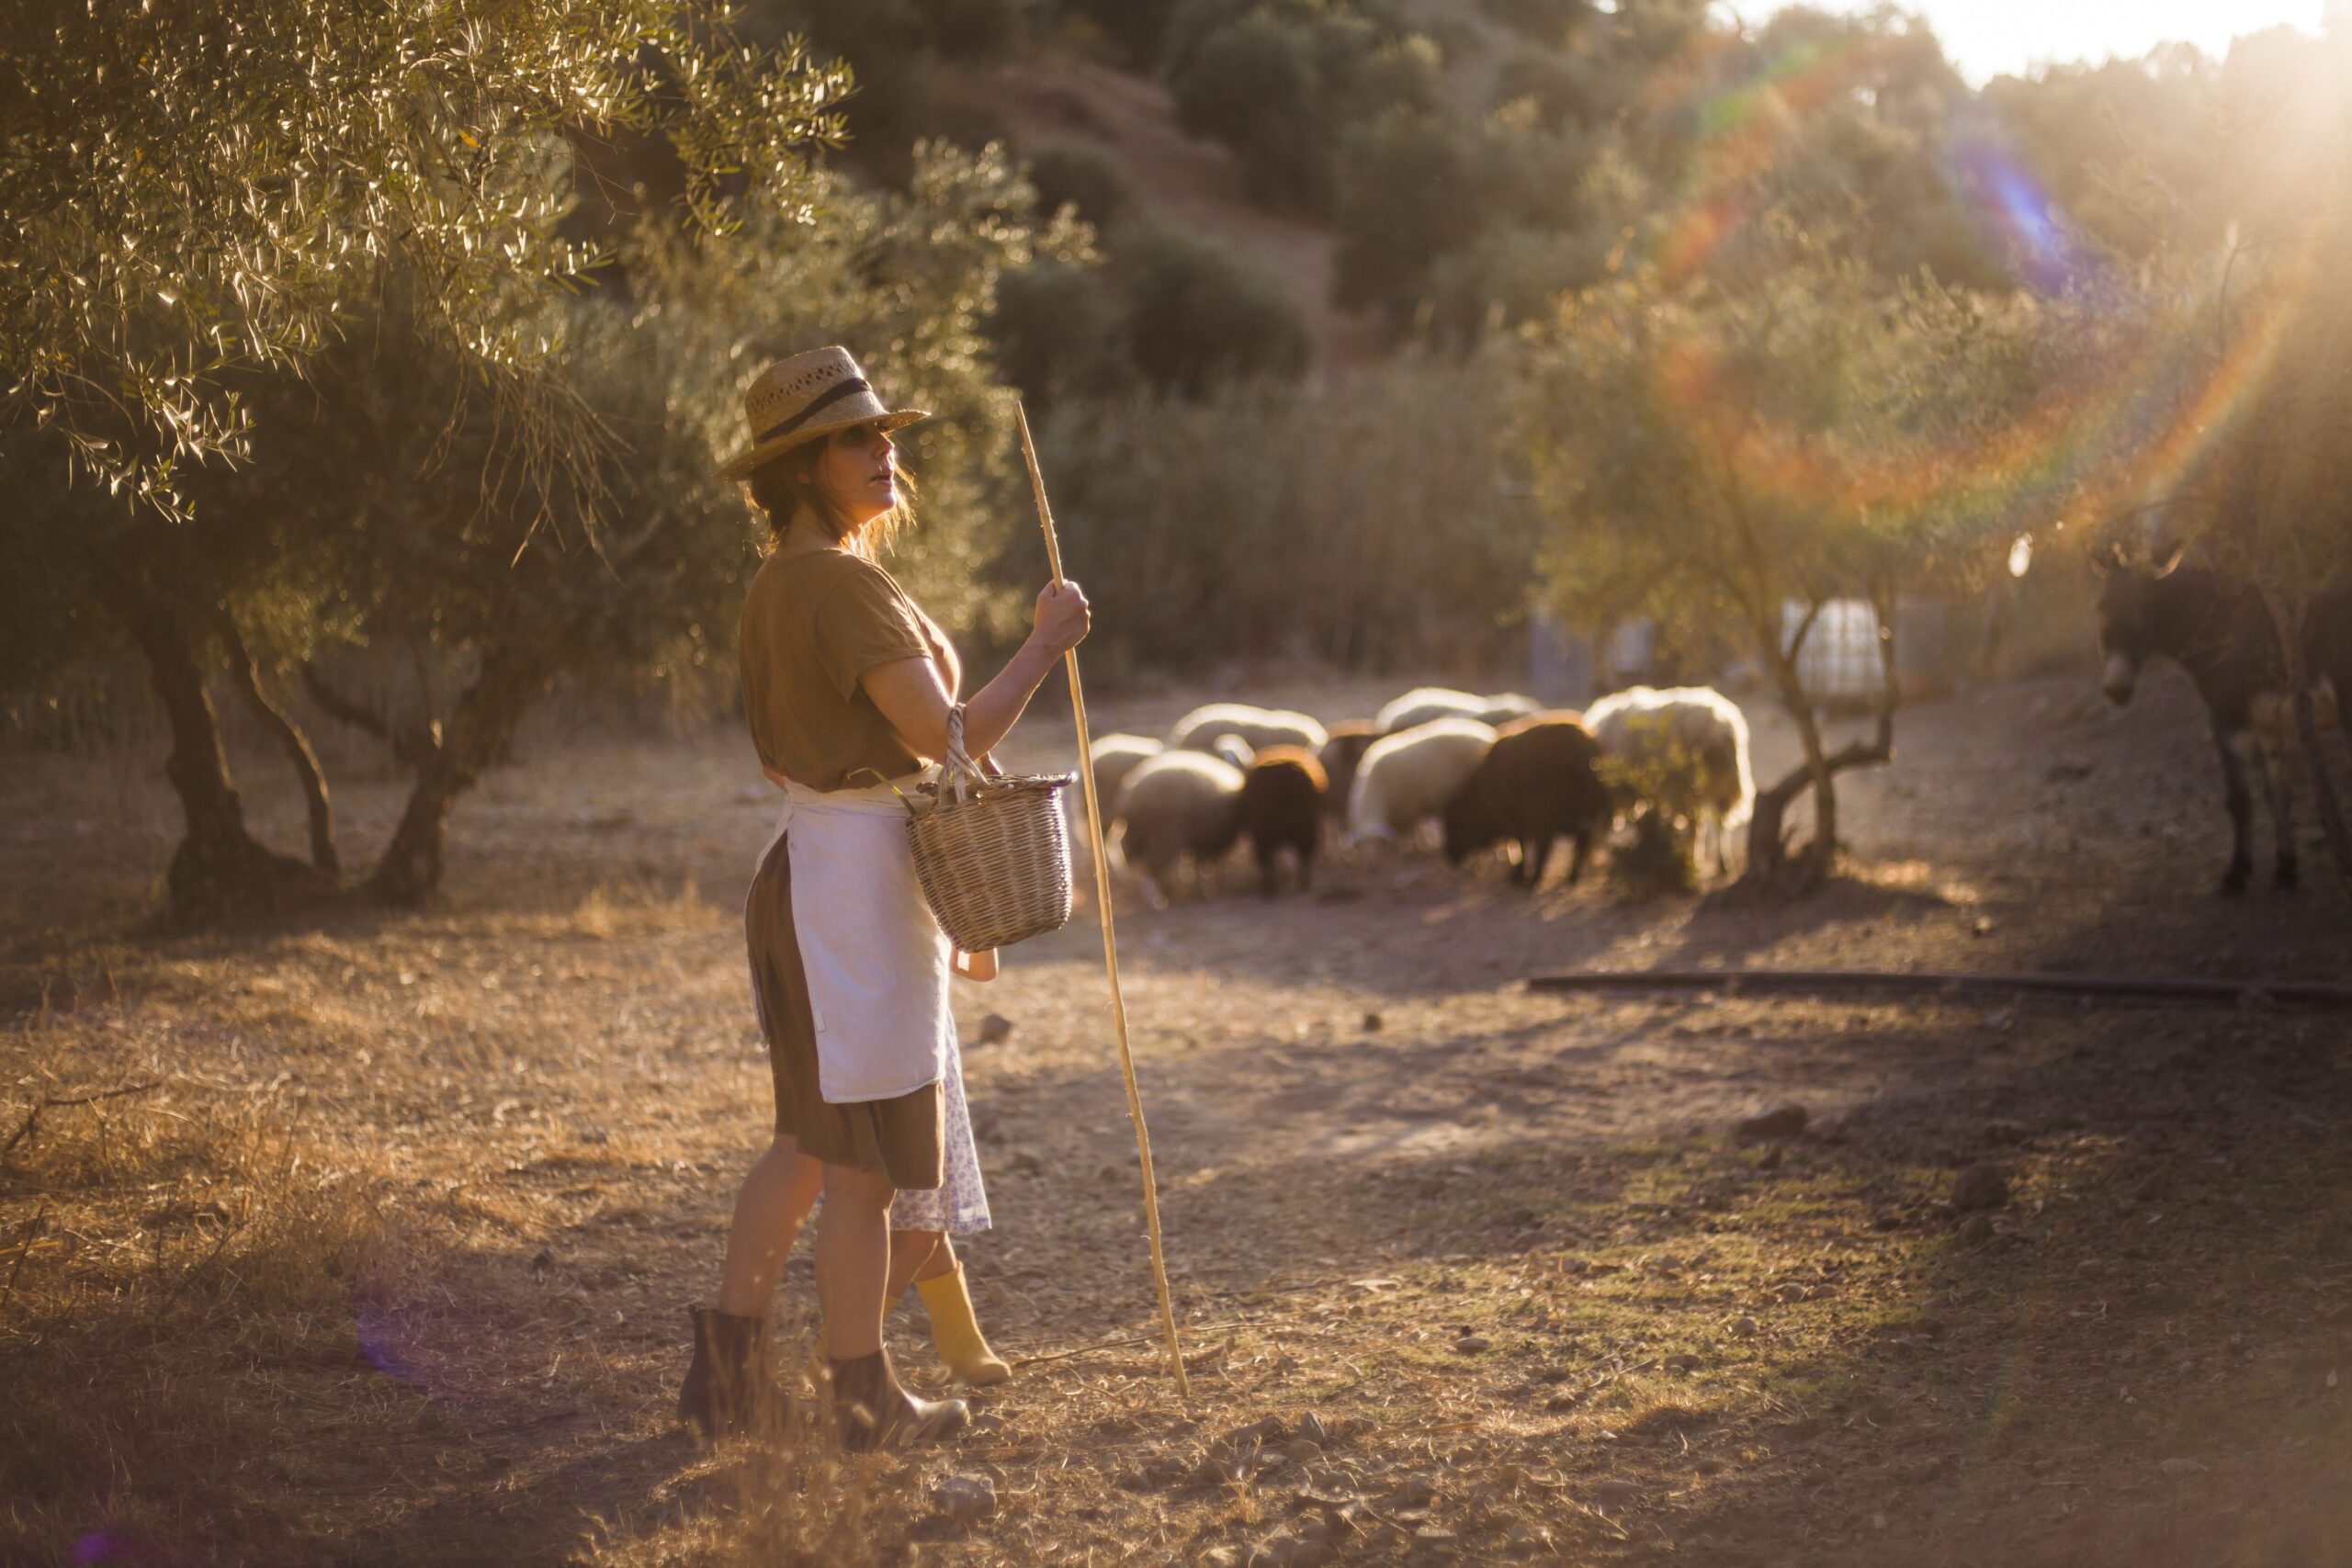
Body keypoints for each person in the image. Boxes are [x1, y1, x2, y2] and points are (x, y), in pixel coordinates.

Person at [678, 346, 1089, 1449]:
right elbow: (944, 741)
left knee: (807, 1151)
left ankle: (723, 1385)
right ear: (804, 465)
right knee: (856, 1170)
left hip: (813, 874)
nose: (883, 448)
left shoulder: (784, 583)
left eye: (883, 431)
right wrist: (1043, 646)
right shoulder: (834, 583)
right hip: (849, 889)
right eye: (857, 437)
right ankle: (859, 1397)